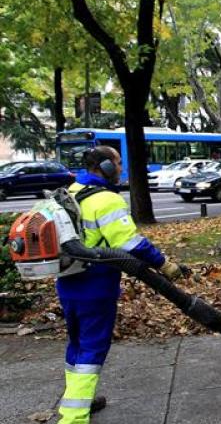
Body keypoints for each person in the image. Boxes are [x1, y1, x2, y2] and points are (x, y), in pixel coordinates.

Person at [56, 145, 187, 423]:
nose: (121, 168)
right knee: (93, 346)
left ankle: (79, 399)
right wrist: (165, 264)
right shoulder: (106, 200)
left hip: (68, 283)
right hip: (96, 284)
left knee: (77, 342)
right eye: (117, 163)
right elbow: (131, 244)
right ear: (104, 167)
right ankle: (73, 416)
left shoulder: (71, 192)